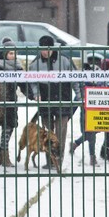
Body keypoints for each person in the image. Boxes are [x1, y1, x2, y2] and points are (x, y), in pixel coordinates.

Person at [27, 35, 82, 171]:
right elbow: (32, 81)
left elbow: (75, 78)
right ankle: (50, 160)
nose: (44, 52)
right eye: (42, 49)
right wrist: (36, 94)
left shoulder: (65, 60)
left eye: (46, 49)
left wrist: (79, 95)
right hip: (45, 100)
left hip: (63, 97)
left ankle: (59, 158)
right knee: (47, 132)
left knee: (61, 130)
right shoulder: (35, 64)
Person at [70, 60, 109, 165]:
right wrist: (70, 113)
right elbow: (76, 100)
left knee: (92, 133)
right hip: (85, 114)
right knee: (90, 135)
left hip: (97, 114)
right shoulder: (83, 87)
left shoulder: (101, 83)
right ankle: (92, 157)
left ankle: (75, 144)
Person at [0, 37, 24, 168]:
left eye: (14, 53)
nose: (13, 55)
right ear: (5, 54)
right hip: (2, 101)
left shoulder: (18, 66)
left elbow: (24, 84)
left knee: (10, 126)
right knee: (7, 126)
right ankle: (4, 156)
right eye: (10, 53)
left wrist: (33, 95)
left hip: (12, 100)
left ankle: (1, 155)